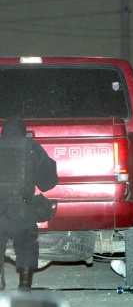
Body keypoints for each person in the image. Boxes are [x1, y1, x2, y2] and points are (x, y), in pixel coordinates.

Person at [0, 117, 58, 290]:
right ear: (23, 131)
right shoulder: (32, 147)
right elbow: (48, 182)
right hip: (22, 212)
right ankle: (25, 284)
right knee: (27, 244)